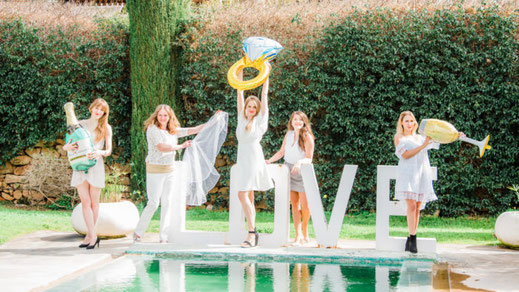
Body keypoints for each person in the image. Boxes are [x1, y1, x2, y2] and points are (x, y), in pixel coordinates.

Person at [133, 104, 213, 243]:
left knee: (167, 202)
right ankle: (138, 233)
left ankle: (163, 236)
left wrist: (214, 120)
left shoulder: (172, 131)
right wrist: (181, 146)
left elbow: (194, 130)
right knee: (153, 203)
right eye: (160, 115)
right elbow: (162, 147)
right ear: (156, 116)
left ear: (170, 117)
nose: (163, 118)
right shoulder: (152, 129)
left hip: (169, 170)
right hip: (154, 170)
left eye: (165, 115)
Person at [394, 111, 463, 253]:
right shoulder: (399, 137)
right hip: (408, 174)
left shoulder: (420, 137)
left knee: (418, 206)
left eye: (411, 121)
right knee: (411, 206)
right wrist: (423, 145)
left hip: (421, 174)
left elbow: (439, 139)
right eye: (406, 121)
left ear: (415, 123)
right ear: (401, 123)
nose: (409, 124)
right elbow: (405, 155)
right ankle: (413, 239)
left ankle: (411, 237)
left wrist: (456, 136)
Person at [64, 98, 113, 250]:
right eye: (96, 108)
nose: (98, 111)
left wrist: (99, 152)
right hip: (80, 165)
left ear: (104, 113)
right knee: (85, 202)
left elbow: (108, 151)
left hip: (95, 165)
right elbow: (66, 144)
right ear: (92, 108)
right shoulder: (80, 124)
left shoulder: (106, 128)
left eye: (102, 110)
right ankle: (92, 235)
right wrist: (69, 147)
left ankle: (91, 236)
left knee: (94, 202)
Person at [235, 64, 274, 248]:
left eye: (253, 106)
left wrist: (265, 75)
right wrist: (239, 73)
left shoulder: (260, 120)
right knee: (247, 196)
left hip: (253, 158)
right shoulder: (242, 119)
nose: (250, 108)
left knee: (241, 194)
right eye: (249, 106)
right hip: (242, 158)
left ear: (257, 109)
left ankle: (251, 233)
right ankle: (251, 234)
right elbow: (239, 94)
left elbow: (264, 95)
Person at [266, 111, 315, 245]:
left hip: (302, 171)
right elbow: (282, 152)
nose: (297, 122)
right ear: (291, 122)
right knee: (294, 204)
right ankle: (298, 235)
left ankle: (305, 230)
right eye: (295, 120)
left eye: (300, 120)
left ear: (304, 121)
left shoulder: (307, 136)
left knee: (305, 206)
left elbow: (309, 158)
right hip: (289, 171)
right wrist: (269, 161)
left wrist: (299, 163)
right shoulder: (289, 134)